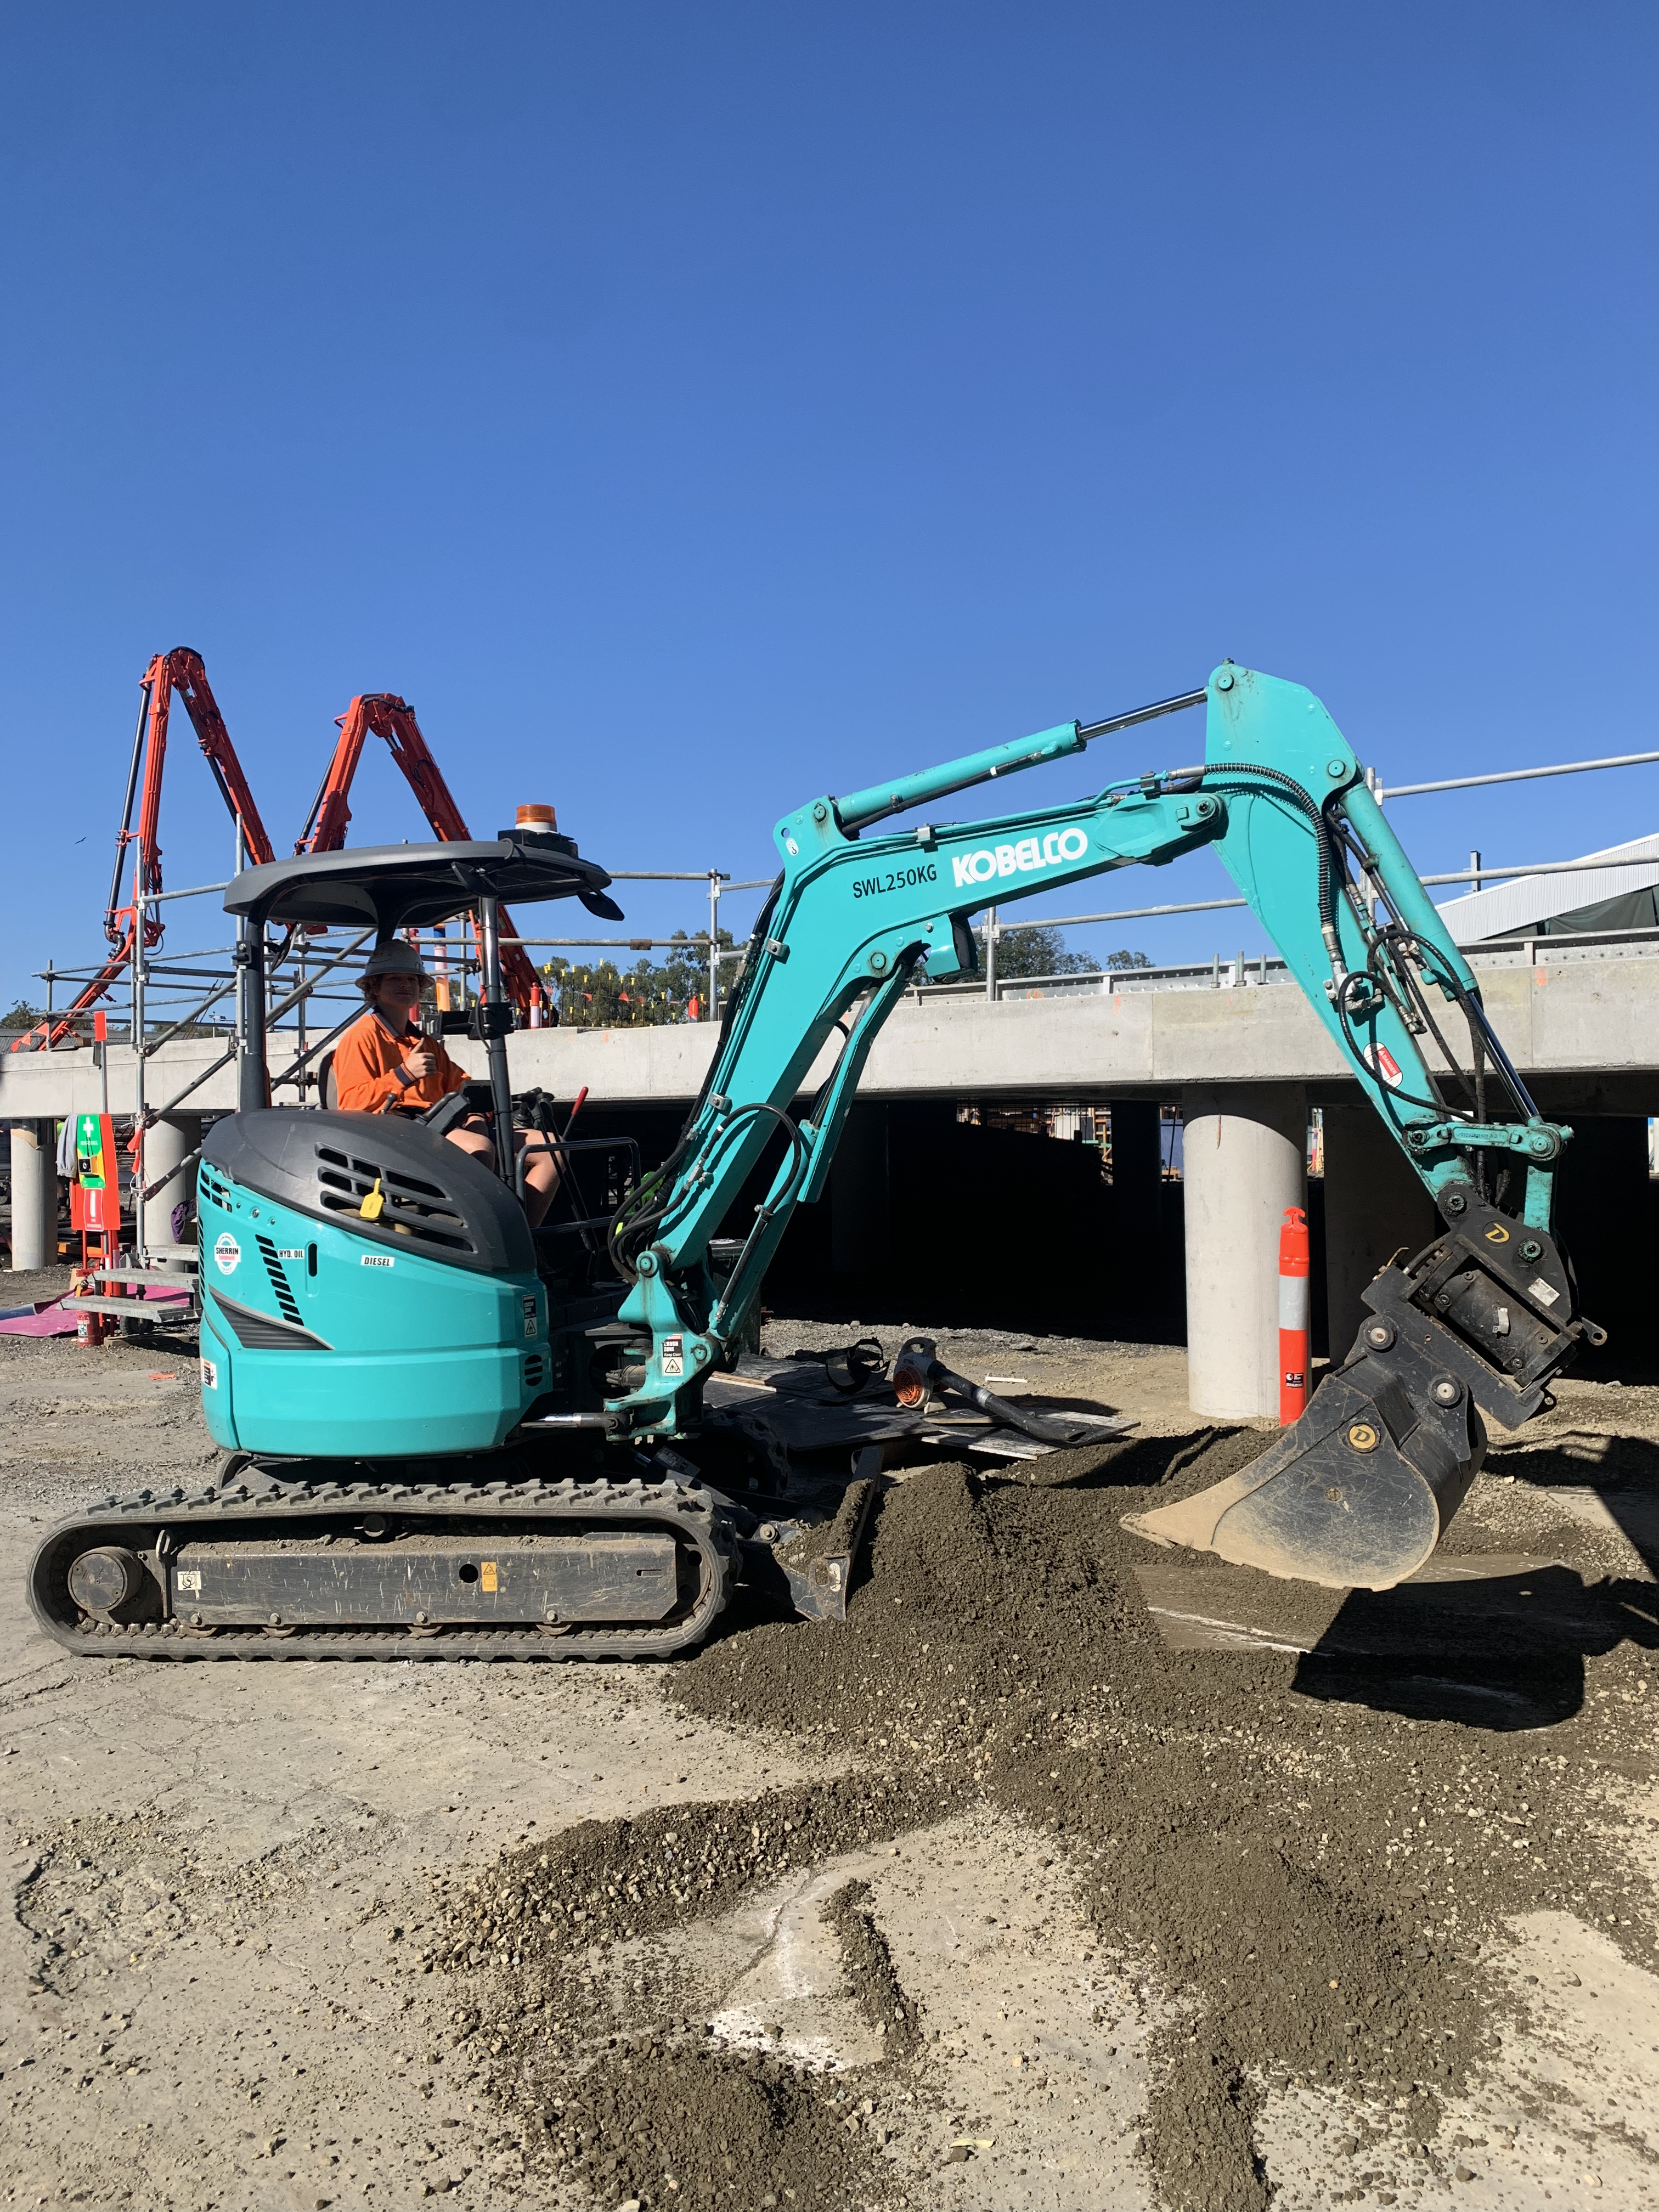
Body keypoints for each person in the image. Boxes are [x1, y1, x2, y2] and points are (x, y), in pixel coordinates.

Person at [331, 941, 561, 1228]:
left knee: (552, 1149)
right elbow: (351, 1103)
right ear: (374, 988)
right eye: (395, 979)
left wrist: (477, 1114)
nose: (406, 985)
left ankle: (520, 1237)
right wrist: (404, 1074)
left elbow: (460, 1085)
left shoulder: (424, 1042)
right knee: (479, 1148)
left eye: (412, 979)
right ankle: (470, 1238)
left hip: (436, 1129)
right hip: (394, 1133)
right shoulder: (362, 1037)